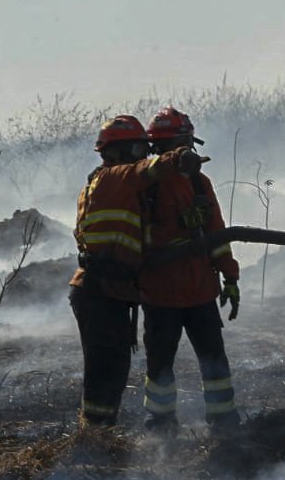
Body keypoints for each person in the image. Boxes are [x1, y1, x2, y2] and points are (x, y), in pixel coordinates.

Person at [68, 115, 202, 428]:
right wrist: (180, 155)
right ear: (118, 152)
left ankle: (98, 431)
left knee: (112, 363)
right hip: (99, 289)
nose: (143, 155)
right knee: (105, 365)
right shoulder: (119, 177)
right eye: (138, 149)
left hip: (106, 288)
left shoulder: (103, 184)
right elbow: (152, 169)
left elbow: (136, 238)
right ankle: (95, 436)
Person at [138, 107, 242, 434]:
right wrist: (179, 227)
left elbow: (217, 233)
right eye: (180, 143)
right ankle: (161, 424)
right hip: (160, 293)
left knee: (214, 360)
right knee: (160, 365)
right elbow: (138, 238)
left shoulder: (198, 182)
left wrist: (230, 276)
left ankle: (223, 420)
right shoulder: (143, 184)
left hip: (200, 291)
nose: (185, 151)